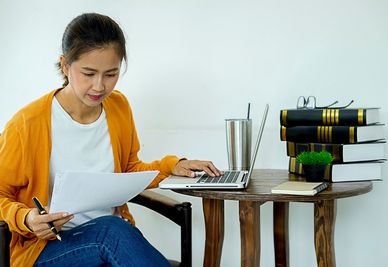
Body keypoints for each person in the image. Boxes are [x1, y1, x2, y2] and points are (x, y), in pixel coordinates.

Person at [0, 13, 223, 267]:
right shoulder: (27, 123)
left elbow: (128, 172)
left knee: (113, 237)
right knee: (112, 232)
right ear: (64, 65)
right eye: (88, 73)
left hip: (108, 244)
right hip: (49, 249)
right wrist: (27, 218)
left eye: (111, 74)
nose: (99, 86)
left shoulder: (118, 107)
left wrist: (173, 166)